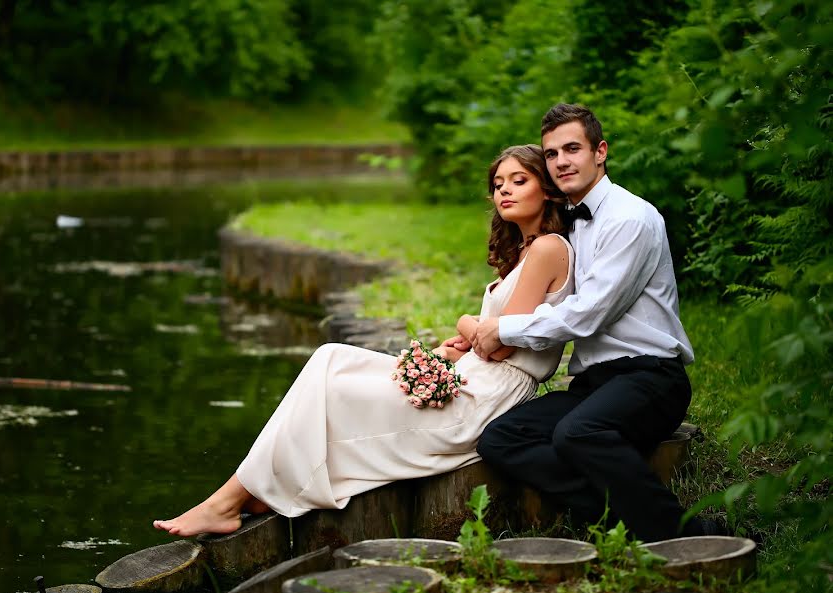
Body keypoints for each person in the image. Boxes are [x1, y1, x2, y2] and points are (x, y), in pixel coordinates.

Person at [153, 144, 575, 537]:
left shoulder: (547, 249)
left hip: (482, 401)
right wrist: (457, 347)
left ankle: (227, 501)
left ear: (548, 188)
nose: (504, 191)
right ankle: (259, 488)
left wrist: (467, 323)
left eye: (518, 180)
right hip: (469, 375)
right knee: (331, 358)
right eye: (498, 184)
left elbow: (500, 344)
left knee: (338, 394)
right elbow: (497, 338)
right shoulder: (525, 250)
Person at [472, 103, 705, 542]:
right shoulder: (566, 225)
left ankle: (683, 534)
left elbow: (591, 312)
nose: (561, 161)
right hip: (594, 382)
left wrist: (500, 329)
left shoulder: (631, 217)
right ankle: (614, 519)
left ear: (600, 152)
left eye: (572, 149)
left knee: (578, 433)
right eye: (552, 153)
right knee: (501, 439)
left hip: (650, 376)